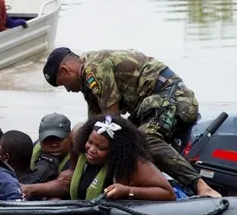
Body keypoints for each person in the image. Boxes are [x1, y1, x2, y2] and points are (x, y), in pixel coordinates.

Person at [44, 47, 221, 198]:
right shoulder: (86, 77)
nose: (67, 89)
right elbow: (96, 124)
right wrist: (75, 163)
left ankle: (200, 185)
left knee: (145, 138)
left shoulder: (94, 69)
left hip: (174, 98)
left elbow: (112, 119)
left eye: (63, 84)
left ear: (66, 71)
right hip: (148, 106)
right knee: (106, 137)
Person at [68, 115, 181, 202]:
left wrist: (128, 191)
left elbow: (169, 194)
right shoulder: (82, 153)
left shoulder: (132, 163)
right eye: (90, 142)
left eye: (101, 148)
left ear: (115, 150)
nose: (92, 149)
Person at [21, 113, 74, 199]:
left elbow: (66, 187)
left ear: (69, 137)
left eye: (59, 139)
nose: (53, 145)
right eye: (48, 140)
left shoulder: (80, 156)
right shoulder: (30, 149)